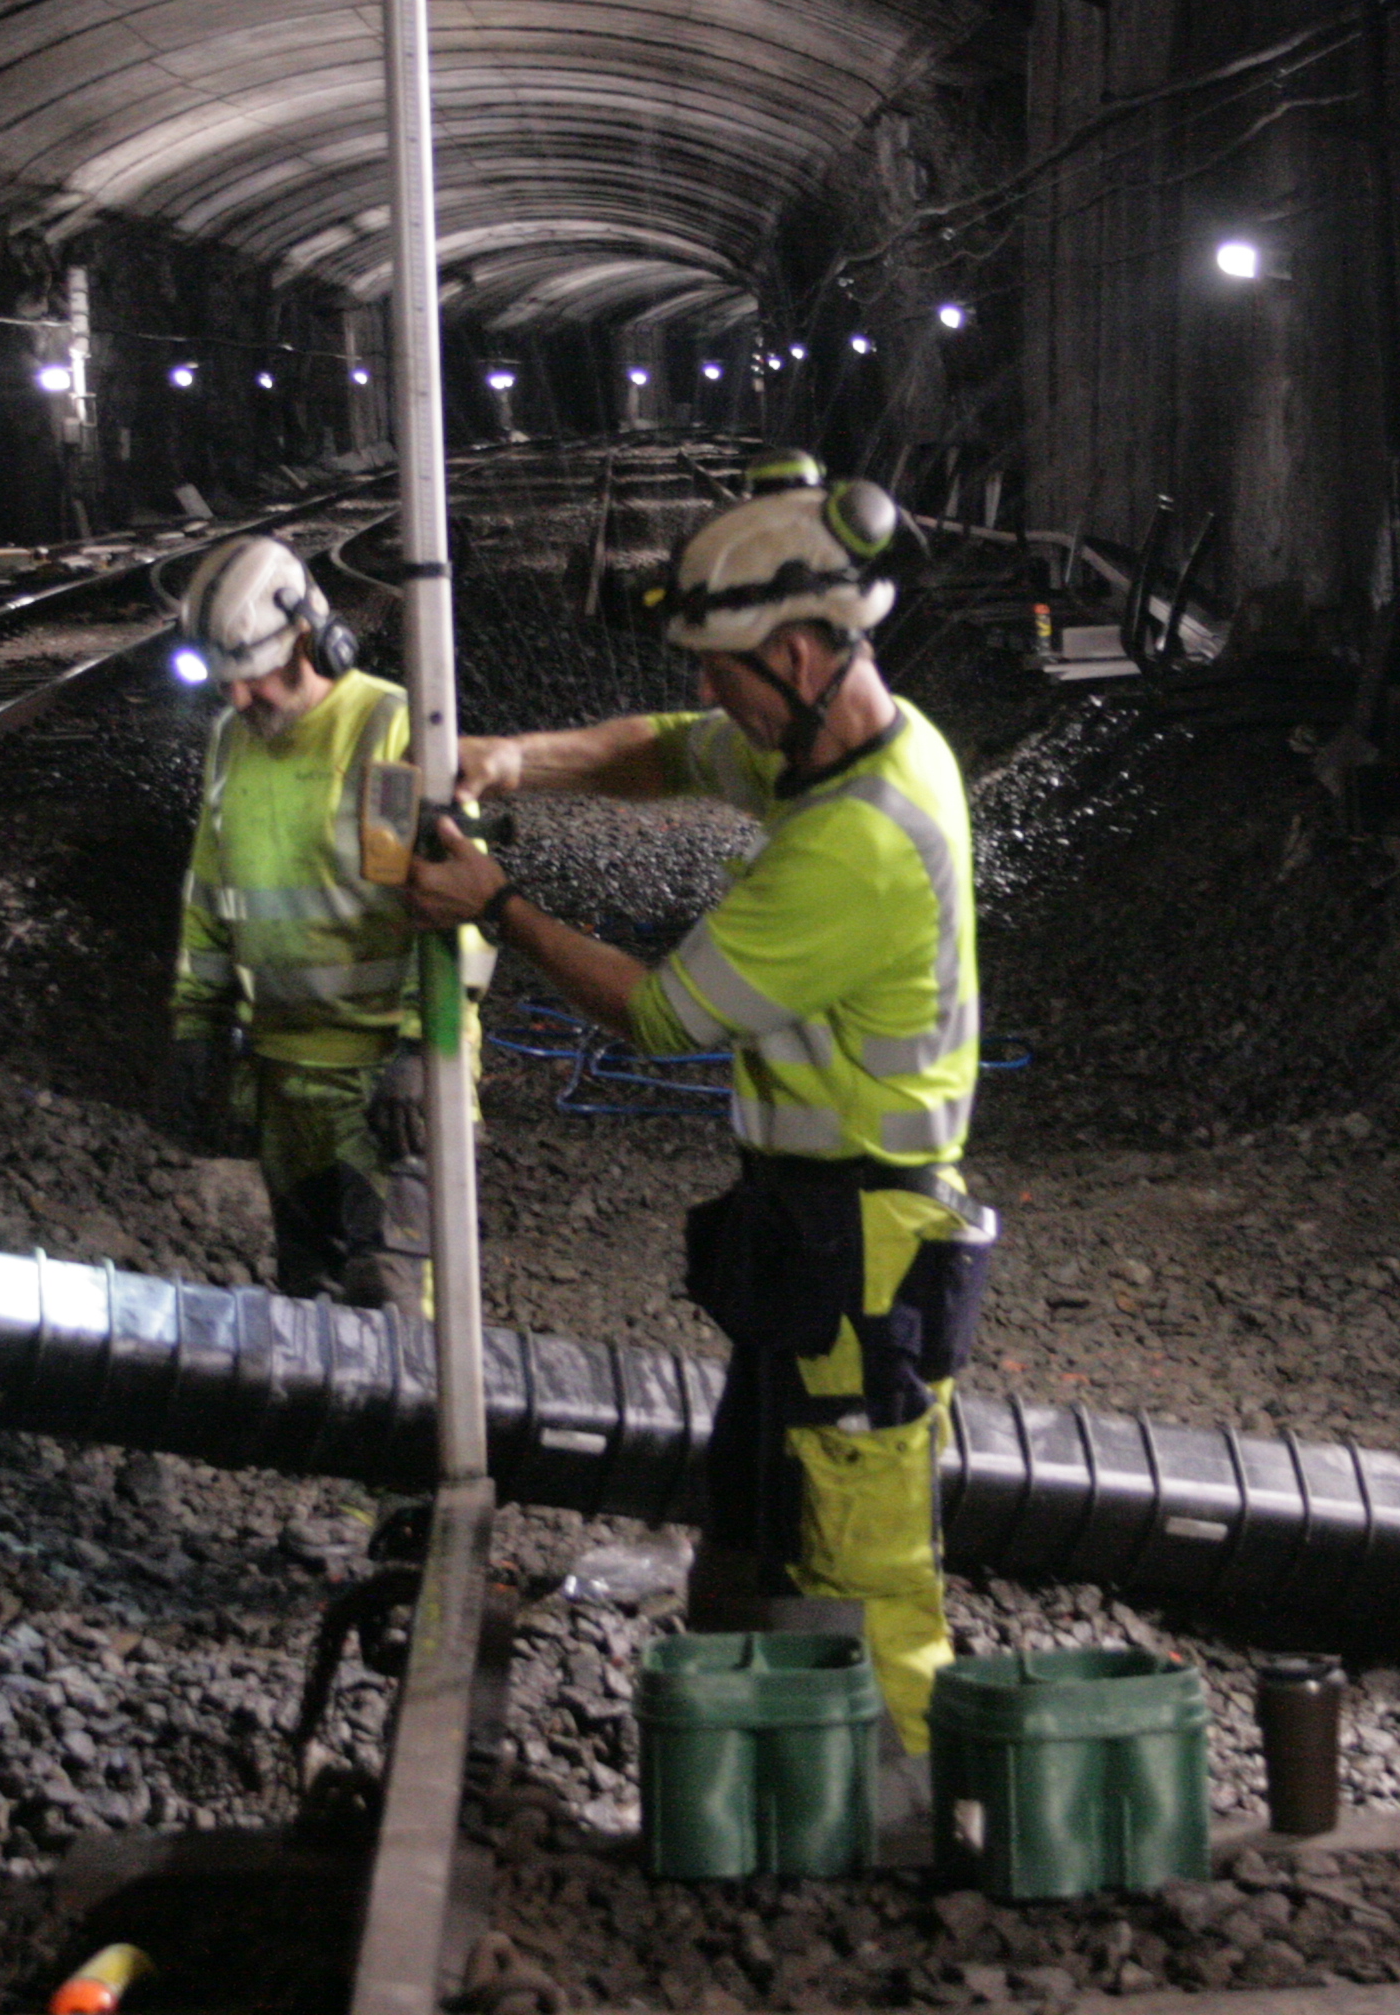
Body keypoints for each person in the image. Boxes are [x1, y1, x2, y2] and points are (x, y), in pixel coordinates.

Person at [402, 470, 994, 1764]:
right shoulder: (840, 738)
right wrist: (513, 761)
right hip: (814, 1224)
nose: (714, 696)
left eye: (726, 671)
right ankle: (788, 1787)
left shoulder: (861, 838)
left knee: (863, 1564)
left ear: (797, 654)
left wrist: (497, 910)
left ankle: (895, 1835)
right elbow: (668, 747)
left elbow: (663, 1014)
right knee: (759, 1522)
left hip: (865, 1241)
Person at [164, 535, 428, 1308]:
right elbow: (211, 900)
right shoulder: (229, 743)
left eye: (249, 680)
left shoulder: (386, 730)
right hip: (282, 1087)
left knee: (393, 1314)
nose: (238, 702)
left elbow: (448, 908)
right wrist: (194, 1029)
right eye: (224, 685)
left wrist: (423, 1049)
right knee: (308, 1311)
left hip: (388, 1092)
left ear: (310, 642)